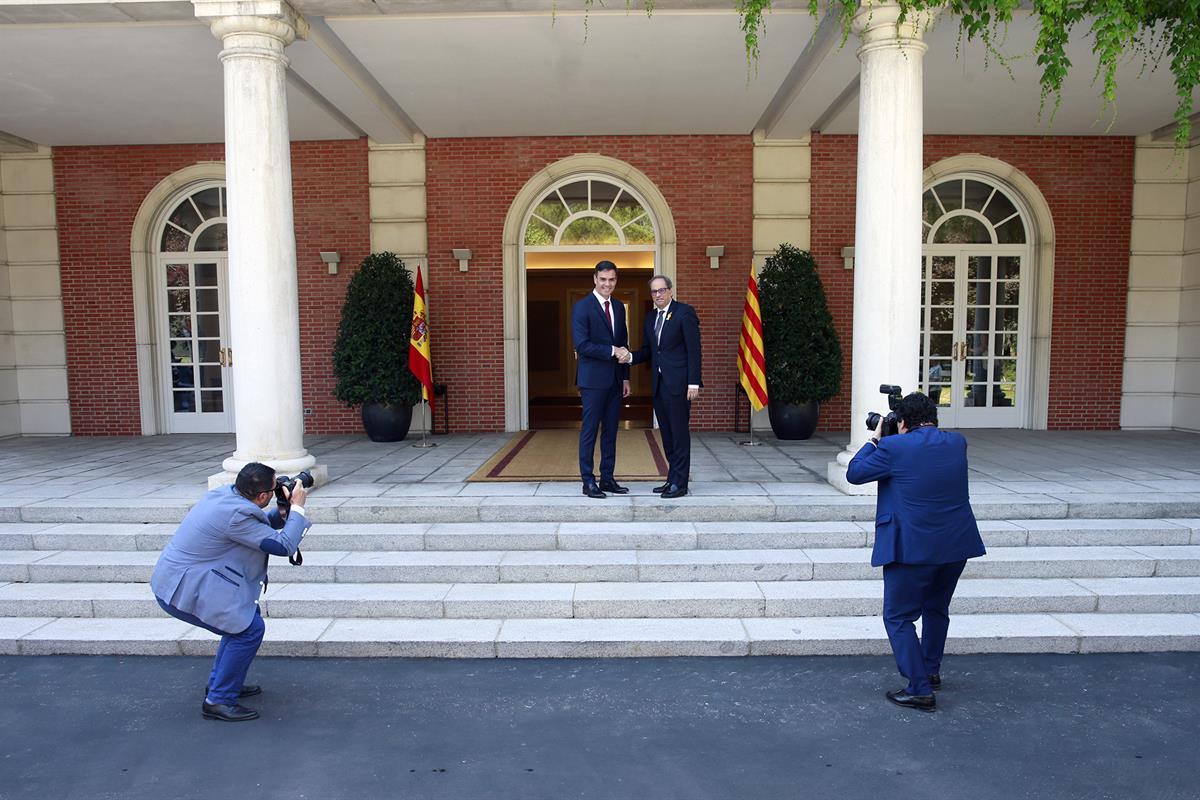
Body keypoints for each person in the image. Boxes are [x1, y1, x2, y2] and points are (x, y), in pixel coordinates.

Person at [846, 391, 985, 713]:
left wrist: (875, 438)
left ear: (902, 422)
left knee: (898, 616)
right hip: (955, 544)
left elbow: (855, 473)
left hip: (911, 547)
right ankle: (930, 670)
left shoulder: (893, 447)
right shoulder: (957, 443)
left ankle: (919, 688)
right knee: (936, 609)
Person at [151, 462, 310, 722]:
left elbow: (254, 526)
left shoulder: (226, 495)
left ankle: (224, 683)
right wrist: (299, 508)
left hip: (186, 576)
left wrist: (282, 512)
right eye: (273, 489)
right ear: (261, 496)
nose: (277, 490)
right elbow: (282, 546)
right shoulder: (236, 514)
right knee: (248, 630)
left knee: (240, 621)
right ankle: (219, 700)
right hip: (182, 587)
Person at [624, 274, 701, 498]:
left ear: (670, 291)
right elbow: (650, 351)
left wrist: (693, 382)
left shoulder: (684, 313)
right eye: (654, 291)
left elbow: (693, 350)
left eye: (661, 290)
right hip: (659, 386)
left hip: (679, 385)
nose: (658, 294)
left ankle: (681, 483)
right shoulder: (651, 318)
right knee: (667, 435)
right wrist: (629, 357)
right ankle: (672, 479)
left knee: (679, 435)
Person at [571, 260, 631, 498]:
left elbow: (623, 343)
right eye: (603, 279)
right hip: (593, 381)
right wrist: (612, 351)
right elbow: (582, 345)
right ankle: (588, 481)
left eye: (612, 280)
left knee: (611, 432)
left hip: (616, 380)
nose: (608, 284)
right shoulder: (582, 307)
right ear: (595, 279)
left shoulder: (618, 307)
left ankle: (607, 478)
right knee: (590, 431)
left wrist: (625, 377)